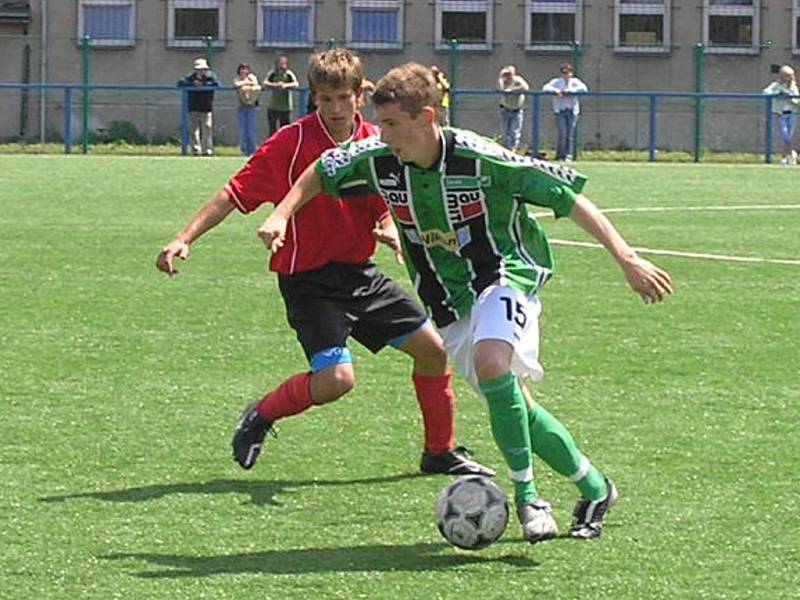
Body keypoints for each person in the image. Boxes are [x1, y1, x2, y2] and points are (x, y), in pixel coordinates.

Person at [258, 62, 674, 544]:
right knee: (517, 410)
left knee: (492, 364)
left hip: (505, 276)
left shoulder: (481, 158)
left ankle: (528, 497)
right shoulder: (380, 159)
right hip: (448, 301)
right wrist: (283, 214)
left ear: (427, 117)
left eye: (391, 124)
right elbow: (322, 171)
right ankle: (596, 487)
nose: (380, 134)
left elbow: (567, 199)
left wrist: (626, 259)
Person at [156, 50, 494, 480]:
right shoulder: (289, 144)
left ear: (360, 94)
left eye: (343, 98)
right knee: (337, 381)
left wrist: (388, 226)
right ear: (312, 98)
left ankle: (439, 452)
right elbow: (233, 194)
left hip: (360, 275)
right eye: (325, 99)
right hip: (307, 281)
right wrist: (184, 238)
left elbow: (384, 201)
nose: (335, 109)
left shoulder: (380, 140)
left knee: (433, 352)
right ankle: (261, 413)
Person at [542, 62, 588, 162]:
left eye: (568, 73)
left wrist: (570, 91)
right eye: (564, 73)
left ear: (571, 73)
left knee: (569, 135)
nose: (566, 75)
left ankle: (568, 155)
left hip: (572, 111)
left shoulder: (575, 82)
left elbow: (584, 89)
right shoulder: (557, 81)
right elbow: (545, 88)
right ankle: (560, 155)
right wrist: (556, 91)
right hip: (560, 111)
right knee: (562, 133)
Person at [177, 58, 220, 156]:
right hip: (193, 107)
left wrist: (204, 85)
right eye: (199, 69)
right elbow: (180, 83)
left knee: (207, 129)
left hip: (206, 107)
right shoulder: (190, 78)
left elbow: (217, 84)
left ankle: (207, 150)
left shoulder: (211, 77)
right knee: (193, 130)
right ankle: (195, 150)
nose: (202, 71)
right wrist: (192, 84)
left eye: (203, 69)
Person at [762, 65, 799, 166]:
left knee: (789, 137)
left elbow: (797, 101)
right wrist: (778, 93)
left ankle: (786, 156)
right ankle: (790, 154)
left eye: (790, 76)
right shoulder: (776, 85)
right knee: (785, 135)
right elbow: (765, 92)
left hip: (792, 114)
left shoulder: (793, 87)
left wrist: (789, 97)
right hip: (780, 114)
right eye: (786, 75)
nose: (788, 78)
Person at [264, 55, 299, 137]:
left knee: (285, 130)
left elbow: (296, 84)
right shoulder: (273, 73)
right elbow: (265, 83)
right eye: (280, 63)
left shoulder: (289, 74)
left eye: (283, 63)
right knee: (272, 130)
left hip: (285, 107)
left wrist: (285, 85)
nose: (282, 65)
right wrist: (275, 85)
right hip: (273, 107)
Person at [497, 66, 529, 152]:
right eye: (506, 74)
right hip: (505, 109)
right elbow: (500, 90)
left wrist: (511, 90)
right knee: (504, 133)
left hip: (516, 111)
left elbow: (526, 88)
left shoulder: (518, 80)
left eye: (509, 74)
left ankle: (512, 150)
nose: (508, 76)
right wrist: (500, 77)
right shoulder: (503, 81)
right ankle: (505, 150)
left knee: (514, 133)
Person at [233, 63, 261, 157]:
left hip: (251, 106)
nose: (244, 71)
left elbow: (256, 84)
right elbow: (236, 84)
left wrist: (247, 82)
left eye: (246, 69)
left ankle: (253, 150)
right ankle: (244, 150)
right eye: (242, 69)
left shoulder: (252, 77)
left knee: (251, 129)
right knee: (243, 129)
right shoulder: (237, 79)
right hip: (242, 106)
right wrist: (246, 83)